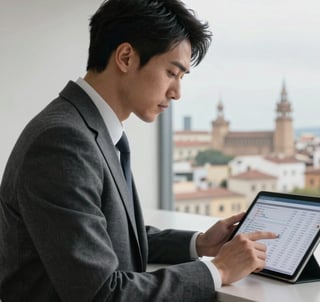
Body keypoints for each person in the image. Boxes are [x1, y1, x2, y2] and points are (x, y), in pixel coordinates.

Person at [0, 0, 277, 301]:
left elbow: (107, 234)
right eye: (172, 72)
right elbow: (101, 294)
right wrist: (218, 271)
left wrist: (200, 244)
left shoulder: (87, 128)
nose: (177, 93)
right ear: (126, 57)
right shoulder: (63, 141)